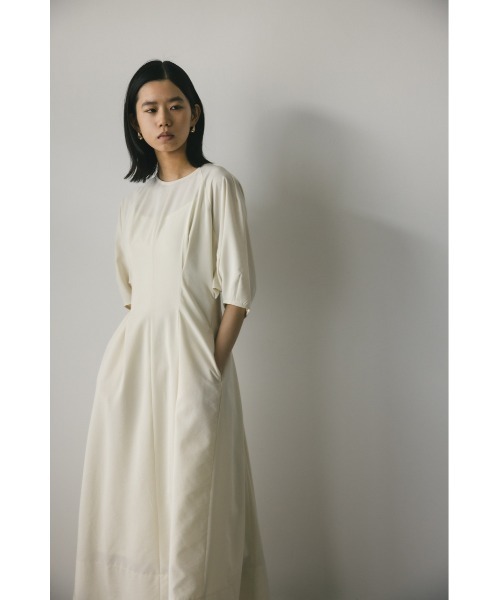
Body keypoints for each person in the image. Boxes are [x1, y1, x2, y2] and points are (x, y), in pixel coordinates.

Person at [73, 59, 270, 600]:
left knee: (193, 495)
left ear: (194, 114)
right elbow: (134, 298)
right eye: (151, 109)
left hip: (195, 365)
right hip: (132, 371)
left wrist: (210, 370)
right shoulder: (133, 204)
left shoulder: (217, 186)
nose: (164, 119)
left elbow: (238, 296)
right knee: (134, 495)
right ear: (136, 123)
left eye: (175, 106)